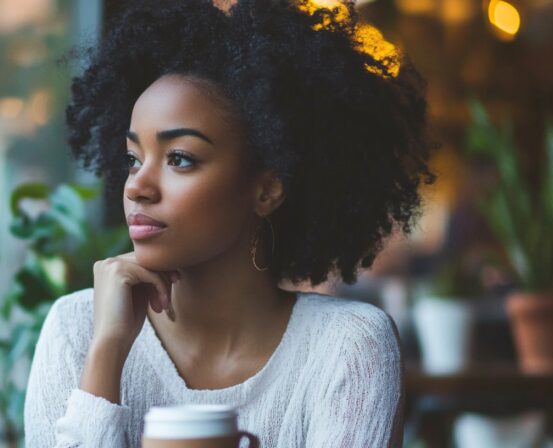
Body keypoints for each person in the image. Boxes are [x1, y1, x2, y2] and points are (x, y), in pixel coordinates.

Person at [24, 0, 435, 446]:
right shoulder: (76, 329)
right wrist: (106, 351)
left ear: (266, 190)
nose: (136, 187)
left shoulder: (349, 347)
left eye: (179, 158)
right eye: (132, 159)